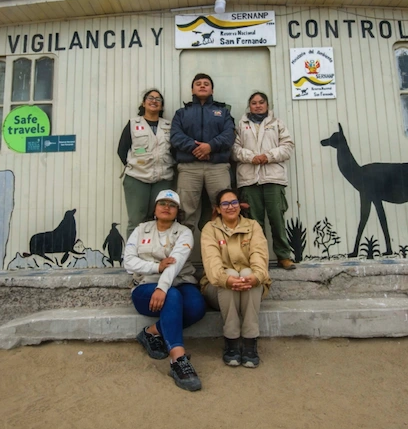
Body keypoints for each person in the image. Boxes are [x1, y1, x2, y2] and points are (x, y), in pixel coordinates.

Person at [124, 189, 206, 391]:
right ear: (155, 208)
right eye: (162, 203)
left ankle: (151, 332)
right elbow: (128, 262)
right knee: (172, 296)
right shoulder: (141, 229)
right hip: (145, 287)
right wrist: (156, 268)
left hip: (179, 281)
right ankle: (178, 360)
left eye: (172, 205)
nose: (166, 208)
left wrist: (163, 286)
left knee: (197, 307)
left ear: (177, 211)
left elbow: (176, 264)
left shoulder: (184, 232)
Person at [200, 188, 271, 368]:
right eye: (225, 203)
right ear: (217, 208)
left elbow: (259, 255)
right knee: (229, 275)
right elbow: (212, 262)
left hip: (249, 286)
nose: (230, 207)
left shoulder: (253, 225)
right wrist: (226, 280)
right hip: (217, 289)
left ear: (240, 206)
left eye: (234, 203)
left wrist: (256, 277)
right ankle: (231, 339)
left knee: (249, 274)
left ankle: (249, 341)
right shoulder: (210, 229)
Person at [232, 92, 297, 270]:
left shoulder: (277, 124)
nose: (258, 105)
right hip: (249, 179)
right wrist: (251, 157)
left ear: (267, 105)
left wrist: (268, 156)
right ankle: (258, 259)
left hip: (273, 178)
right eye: (254, 103)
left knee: (277, 219)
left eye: (261, 102)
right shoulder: (241, 124)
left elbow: (288, 147)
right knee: (254, 222)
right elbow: (235, 149)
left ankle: (283, 256)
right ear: (249, 106)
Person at [170, 73, 235, 232]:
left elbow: (229, 135)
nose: (202, 85)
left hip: (217, 167)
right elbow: (175, 136)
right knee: (185, 213)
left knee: (225, 210)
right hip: (189, 168)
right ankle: (185, 256)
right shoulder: (181, 113)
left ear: (212, 90)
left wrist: (210, 147)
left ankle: (225, 256)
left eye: (206, 83)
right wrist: (196, 148)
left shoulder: (223, 112)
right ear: (192, 89)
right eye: (198, 83)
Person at [117, 89, 174, 238]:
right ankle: (131, 259)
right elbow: (122, 150)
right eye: (150, 98)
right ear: (144, 103)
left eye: (158, 99)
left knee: (161, 219)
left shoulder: (169, 126)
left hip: (163, 180)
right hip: (137, 179)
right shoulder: (133, 124)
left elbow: (175, 151)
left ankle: (155, 256)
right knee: (136, 220)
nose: (154, 101)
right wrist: (137, 166)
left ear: (162, 106)